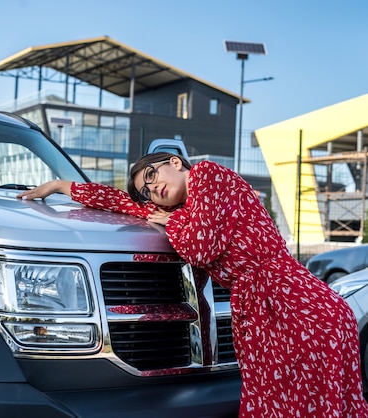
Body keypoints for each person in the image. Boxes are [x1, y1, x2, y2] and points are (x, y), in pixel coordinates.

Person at [18, 152, 368, 418]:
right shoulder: (187, 210)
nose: (152, 188)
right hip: (263, 308)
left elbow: (202, 247)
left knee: (300, 403)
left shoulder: (207, 174)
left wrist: (172, 220)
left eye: (152, 175)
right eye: (147, 191)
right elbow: (128, 205)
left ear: (176, 163)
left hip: (295, 303)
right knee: (280, 402)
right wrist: (63, 187)